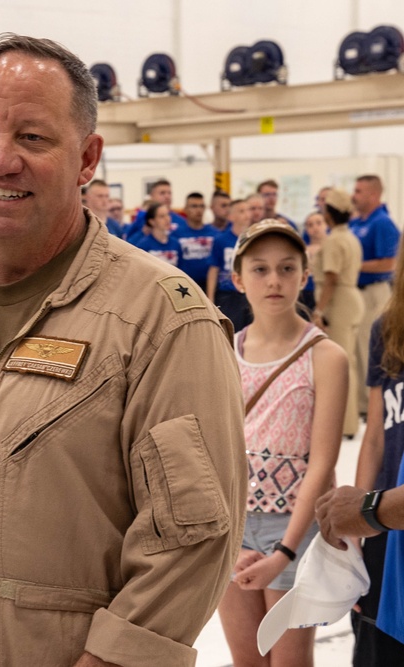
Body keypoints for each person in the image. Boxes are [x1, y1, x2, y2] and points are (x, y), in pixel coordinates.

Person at [0, 33, 246, 667]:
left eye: (32, 138)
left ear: (87, 158)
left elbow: (191, 537)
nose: (1, 161)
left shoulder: (162, 320)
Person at [217, 219, 347, 667]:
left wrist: (286, 550)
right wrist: (229, 540)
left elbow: (322, 462)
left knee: (290, 662)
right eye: (260, 269)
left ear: (305, 276)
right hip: (232, 525)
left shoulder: (325, 356)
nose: (274, 280)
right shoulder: (223, 351)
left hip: (293, 527)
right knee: (246, 659)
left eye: (287, 269)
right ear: (238, 278)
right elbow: (215, 453)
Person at [316, 247, 404, 654]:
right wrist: (361, 519)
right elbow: (374, 438)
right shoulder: (388, 327)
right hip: (388, 513)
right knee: (376, 636)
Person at [312, 188, 364, 438]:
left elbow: (331, 278)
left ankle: (344, 425)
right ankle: (350, 423)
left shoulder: (333, 240)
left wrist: (319, 310)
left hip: (339, 302)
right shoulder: (350, 237)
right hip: (352, 298)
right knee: (350, 361)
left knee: (341, 364)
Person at [351, 174, 401, 418]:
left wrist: (354, 265)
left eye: (359, 191)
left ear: (373, 194)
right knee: (358, 351)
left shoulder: (382, 223)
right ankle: (361, 404)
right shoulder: (357, 222)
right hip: (357, 293)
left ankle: (371, 406)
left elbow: (389, 262)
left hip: (375, 292)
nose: (354, 195)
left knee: (370, 348)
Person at [207, 197, 254, 332]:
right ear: (231, 217)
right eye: (241, 211)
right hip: (228, 294)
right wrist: (210, 298)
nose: (247, 214)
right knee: (232, 331)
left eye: (248, 210)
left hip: (249, 292)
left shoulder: (253, 239)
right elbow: (213, 269)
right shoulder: (221, 240)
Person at [175, 191, 218, 291]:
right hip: (185, 284)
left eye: (201, 206)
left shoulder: (215, 234)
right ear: (185, 209)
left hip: (210, 285)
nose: (199, 210)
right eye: (194, 206)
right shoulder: (176, 234)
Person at [134, 201, 182, 266]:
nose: (167, 219)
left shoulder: (176, 243)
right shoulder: (143, 245)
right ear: (152, 221)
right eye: (162, 216)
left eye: (168, 214)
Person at [300, 210, 328, 314]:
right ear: (306, 229)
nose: (315, 228)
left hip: (324, 290)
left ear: (326, 224)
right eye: (310, 225)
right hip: (306, 291)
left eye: (319, 223)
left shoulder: (331, 247)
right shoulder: (303, 250)